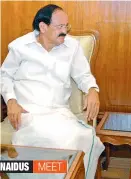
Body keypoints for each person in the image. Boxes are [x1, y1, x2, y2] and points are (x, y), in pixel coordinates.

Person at [1, 4, 104, 178]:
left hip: (59, 113)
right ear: (43, 27)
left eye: (67, 26)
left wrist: (93, 89)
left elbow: (83, 75)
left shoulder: (72, 47)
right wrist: (11, 101)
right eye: (60, 27)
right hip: (29, 113)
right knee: (57, 141)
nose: (65, 31)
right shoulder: (20, 47)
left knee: (86, 137)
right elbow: (4, 76)